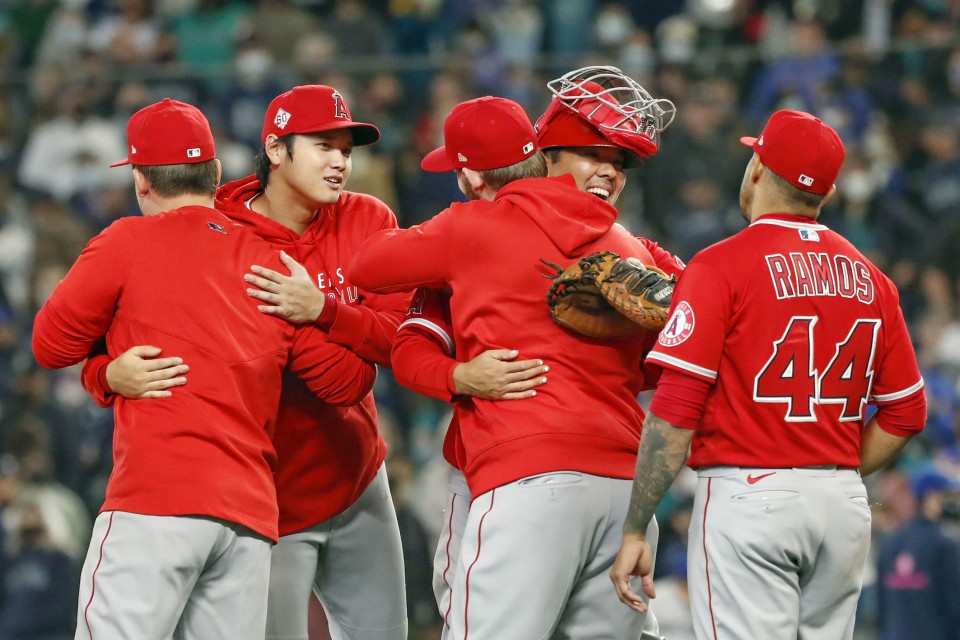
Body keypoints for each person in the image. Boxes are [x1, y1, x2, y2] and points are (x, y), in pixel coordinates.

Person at [32, 98, 377, 640]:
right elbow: (346, 382)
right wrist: (323, 312)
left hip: (157, 502)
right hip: (248, 521)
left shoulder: (125, 241)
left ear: (142, 181)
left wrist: (103, 373)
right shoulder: (265, 264)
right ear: (215, 174)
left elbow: (50, 345)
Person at [346, 89, 673, 639]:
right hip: (625, 493)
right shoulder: (631, 252)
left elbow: (366, 266)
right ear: (544, 156)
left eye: (617, 162)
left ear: (471, 177)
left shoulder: (469, 227)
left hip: (528, 480)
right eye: (599, 157)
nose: (610, 172)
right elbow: (657, 369)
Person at [610, 109, 928, 640]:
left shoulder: (720, 266)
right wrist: (833, 471)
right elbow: (906, 412)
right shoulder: (874, 279)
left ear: (757, 167)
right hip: (842, 506)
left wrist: (636, 526)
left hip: (749, 499)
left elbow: (676, 410)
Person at [875, 467, 960, 640]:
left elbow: (881, 609)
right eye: (946, 495)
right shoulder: (945, 544)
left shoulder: (891, 543)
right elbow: (954, 605)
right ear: (931, 498)